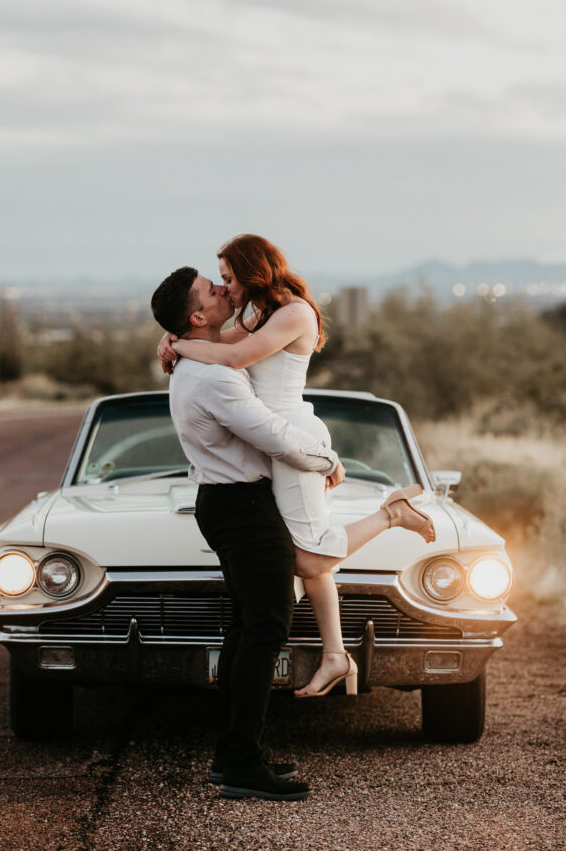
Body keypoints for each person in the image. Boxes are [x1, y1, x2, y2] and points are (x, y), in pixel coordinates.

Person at [157, 234, 435, 699]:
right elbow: (212, 338)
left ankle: (393, 513)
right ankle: (334, 655)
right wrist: (174, 338)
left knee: (308, 557)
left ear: (252, 272)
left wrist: (179, 346)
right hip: (274, 443)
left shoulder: (295, 313)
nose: (225, 287)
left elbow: (230, 356)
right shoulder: (253, 314)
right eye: (219, 282)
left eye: (228, 278)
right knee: (311, 560)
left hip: (294, 442)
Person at [150, 265, 347, 802]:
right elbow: (275, 436)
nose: (221, 290)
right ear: (197, 316)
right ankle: (241, 763)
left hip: (228, 504)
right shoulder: (212, 376)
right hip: (241, 509)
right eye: (211, 290)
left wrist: (172, 342)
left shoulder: (199, 362)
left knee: (245, 630)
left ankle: (233, 754)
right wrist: (327, 458)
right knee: (265, 630)